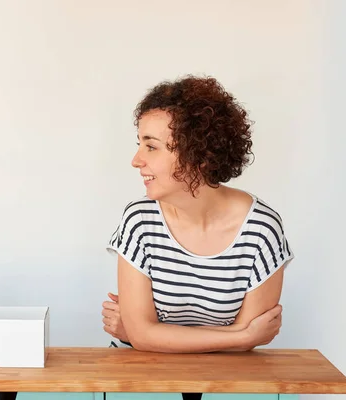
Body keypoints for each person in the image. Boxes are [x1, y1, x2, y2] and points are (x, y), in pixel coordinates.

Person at [102, 75, 295, 400]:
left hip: (227, 387)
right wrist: (239, 336)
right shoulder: (139, 220)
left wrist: (147, 334)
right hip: (139, 383)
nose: (136, 160)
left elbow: (143, 333)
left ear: (198, 155)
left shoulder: (261, 229)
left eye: (151, 146)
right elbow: (247, 338)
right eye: (139, 144)